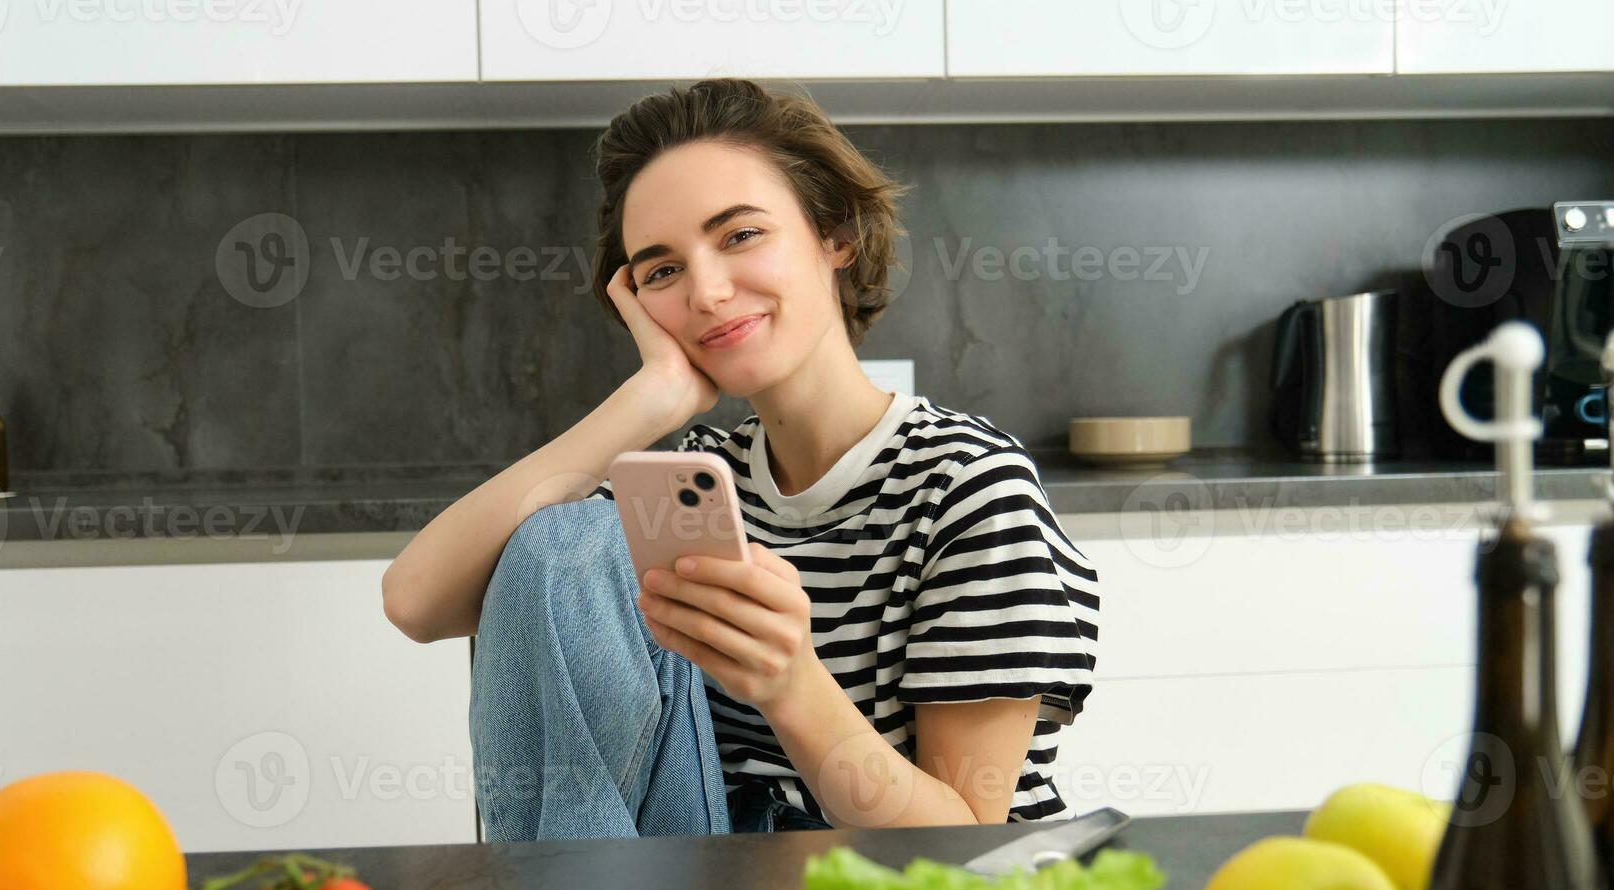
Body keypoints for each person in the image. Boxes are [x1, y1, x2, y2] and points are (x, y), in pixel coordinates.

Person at [381, 78, 1098, 841]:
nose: (709, 292)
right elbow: (416, 601)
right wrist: (647, 403)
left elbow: (966, 841)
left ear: (834, 234)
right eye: (662, 270)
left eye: (740, 236)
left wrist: (791, 686)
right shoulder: (694, 479)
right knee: (561, 543)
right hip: (712, 876)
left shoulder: (968, 486)